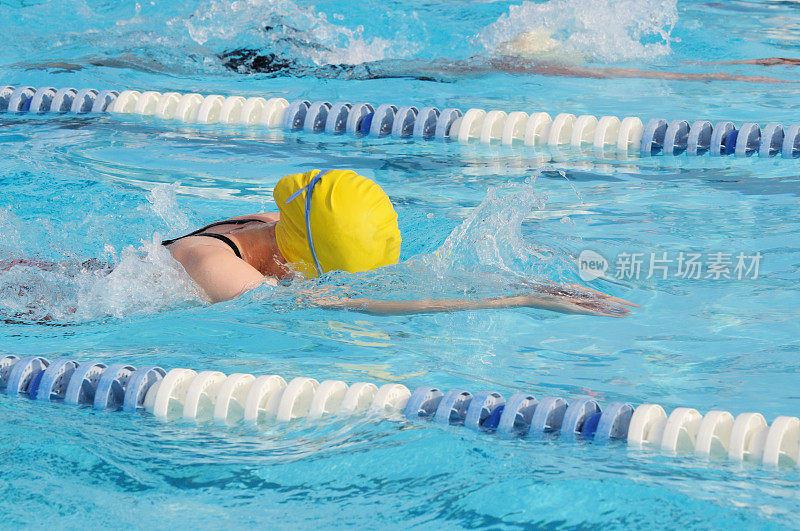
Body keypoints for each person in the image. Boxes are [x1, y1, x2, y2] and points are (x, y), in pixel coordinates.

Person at [162, 169, 637, 317]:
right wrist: (514, 300)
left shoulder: (270, 224)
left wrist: (531, 285)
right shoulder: (213, 264)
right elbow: (351, 303)